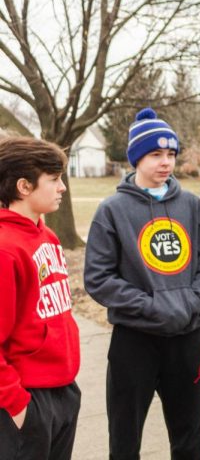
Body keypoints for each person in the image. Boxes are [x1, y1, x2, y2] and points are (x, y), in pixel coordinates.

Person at [84, 108, 200, 460]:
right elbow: (98, 279)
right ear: (135, 158)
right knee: (125, 440)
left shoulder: (191, 206)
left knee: (190, 439)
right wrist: (153, 306)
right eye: (155, 154)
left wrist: (188, 304)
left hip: (185, 337)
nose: (166, 162)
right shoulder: (111, 210)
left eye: (171, 154)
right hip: (134, 340)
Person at [0, 136, 81, 460]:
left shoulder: (47, 235)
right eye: (54, 179)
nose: (62, 187)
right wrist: (18, 405)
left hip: (63, 389)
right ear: (23, 186)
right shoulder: (6, 250)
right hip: (26, 399)